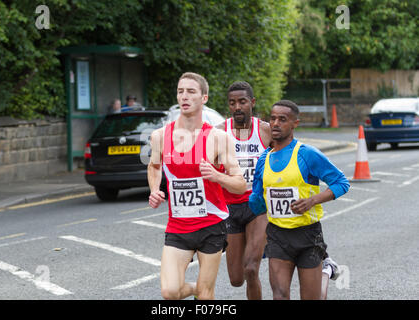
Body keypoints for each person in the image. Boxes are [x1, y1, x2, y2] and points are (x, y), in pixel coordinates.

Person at [147, 72, 247, 300]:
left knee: (205, 297)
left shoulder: (219, 139)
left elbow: (240, 185)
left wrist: (217, 176)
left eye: (191, 91)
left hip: (211, 225)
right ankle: (195, 288)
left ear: (204, 98)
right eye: (181, 91)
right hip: (178, 225)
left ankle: (202, 291)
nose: (185, 96)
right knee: (170, 291)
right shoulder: (160, 136)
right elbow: (153, 166)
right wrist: (154, 189)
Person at [249, 99, 349, 300]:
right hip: (277, 235)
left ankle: (325, 270)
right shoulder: (263, 159)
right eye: (273, 118)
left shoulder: (306, 154)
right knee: (279, 295)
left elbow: (341, 182)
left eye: (282, 119)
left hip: (307, 235)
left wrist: (312, 201)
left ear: (295, 123)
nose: (276, 123)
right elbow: (257, 200)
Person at [216, 81, 271, 300]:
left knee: (251, 269)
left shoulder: (265, 131)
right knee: (236, 279)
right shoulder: (219, 132)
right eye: (232, 103)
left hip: (257, 207)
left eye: (242, 102)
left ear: (252, 102)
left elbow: (288, 159)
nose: (237, 107)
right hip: (229, 208)